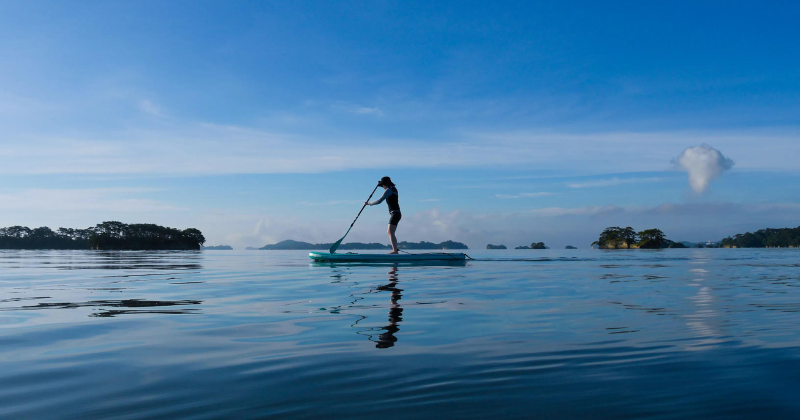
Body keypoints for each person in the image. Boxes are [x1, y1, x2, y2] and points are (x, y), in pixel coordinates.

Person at [366, 176, 401, 254]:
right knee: (391, 232)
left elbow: (379, 201)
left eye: (383, 185)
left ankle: (395, 251)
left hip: (395, 213)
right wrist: (380, 184)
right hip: (396, 213)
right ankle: (395, 249)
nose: (383, 187)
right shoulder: (393, 189)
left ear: (385, 184)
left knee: (390, 231)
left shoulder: (389, 190)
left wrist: (369, 203)